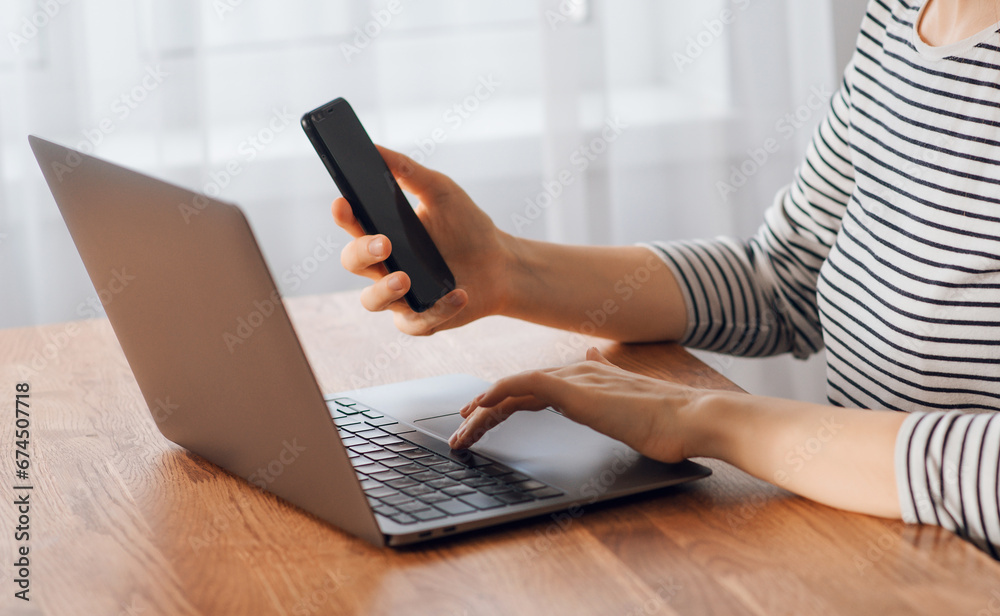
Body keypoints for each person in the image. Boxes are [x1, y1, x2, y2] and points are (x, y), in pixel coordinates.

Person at [332, 0, 1000, 558]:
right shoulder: (902, 16)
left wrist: (699, 417)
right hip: (880, 546)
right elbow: (783, 279)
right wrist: (505, 270)